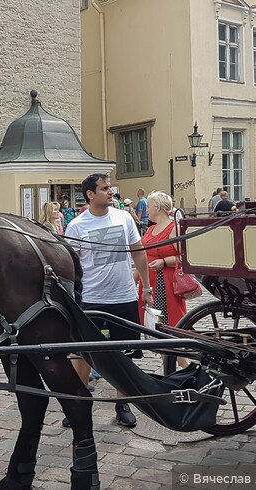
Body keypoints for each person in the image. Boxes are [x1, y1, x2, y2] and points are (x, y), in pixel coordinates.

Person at [64, 174, 154, 429]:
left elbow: (138, 252)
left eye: (110, 187)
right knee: (81, 354)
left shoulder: (124, 217)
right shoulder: (77, 225)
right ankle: (78, 404)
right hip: (91, 299)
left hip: (123, 296)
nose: (110, 192)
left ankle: (122, 405)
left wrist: (146, 287)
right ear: (90, 194)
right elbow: (71, 267)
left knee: (124, 355)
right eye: (104, 189)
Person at [134, 191, 187, 337]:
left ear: (157, 208)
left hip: (165, 283)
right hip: (149, 283)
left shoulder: (174, 228)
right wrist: (135, 279)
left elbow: (185, 258)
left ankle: (183, 360)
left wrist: (164, 262)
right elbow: (142, 257)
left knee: (168, 326)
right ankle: (170, 360)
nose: (146, 210)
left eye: (149, 206)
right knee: (155, 327)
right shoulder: (151, 229)